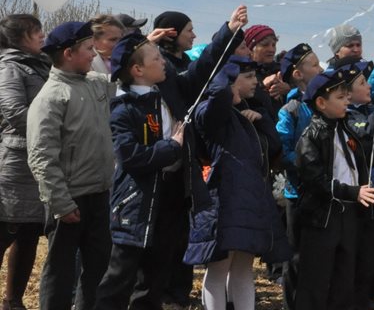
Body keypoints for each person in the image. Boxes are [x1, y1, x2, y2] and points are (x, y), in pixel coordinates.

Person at [293, 64, 374, 310]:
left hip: (349, 215)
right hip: (322, 218)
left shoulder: (346, 130)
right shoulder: (311, 137)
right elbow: (315, 181)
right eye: (340, 98)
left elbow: (370, 157)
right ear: (321, 103)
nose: (346, 102)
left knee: (344, 279)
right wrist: (353, 192)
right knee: (316, 282)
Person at [184, 57, 290, 310]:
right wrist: (223, 76)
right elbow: (216, 101)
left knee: (243, 268)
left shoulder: (244, 113)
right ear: (227, 82)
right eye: (248, 77)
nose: (256, 82)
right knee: (219, 268)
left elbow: (274, 146)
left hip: (250, 201)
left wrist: (262, 120)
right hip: (223, 201)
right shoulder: (209, 110)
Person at [95, 32, 187, 310]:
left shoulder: (161, 98)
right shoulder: (124, 109)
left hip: (166, 200)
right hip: (134, 203)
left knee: (154, 279)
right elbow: (131, 156)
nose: (164, 62)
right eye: (156, 58)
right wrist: (171, 147)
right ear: (138, 70)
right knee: (119, 277)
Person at [26, 21, 114, 310]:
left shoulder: (95, 84)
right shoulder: (51, 98)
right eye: (88, 48)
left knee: (98, 268)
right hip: (70, 200)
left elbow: (127, 74)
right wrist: (61, 203)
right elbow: (41, 156)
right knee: (61, 271)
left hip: (99, 194)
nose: (94, 54)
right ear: (68, 53)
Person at [0, 14, 51, 310]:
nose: (43, 35)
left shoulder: (41, 64)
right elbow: (14, 111)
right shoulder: (9, 66)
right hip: (15, 161)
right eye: (36, 31)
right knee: (6, 229)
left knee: (30, 234)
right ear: (19, 37)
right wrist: (55, 129)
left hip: (38, 161)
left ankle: (13, 301)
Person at [276, 42, 322, 309]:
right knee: (295, 256)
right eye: (314, 65)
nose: (320, 68)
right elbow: (282, 151)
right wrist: (309, 166)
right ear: (297, 74)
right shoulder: (291, 110)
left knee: (318, 255)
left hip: (323, 192)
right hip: (298, 193)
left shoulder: (324, 105)